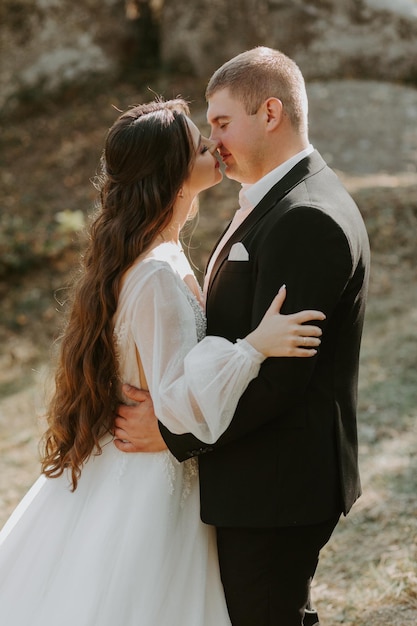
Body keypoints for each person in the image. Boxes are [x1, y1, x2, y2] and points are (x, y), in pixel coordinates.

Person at [0, 99, 325, 626]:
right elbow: (179, 400)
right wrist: (254, 347)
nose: (214, 148)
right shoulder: (154, 274)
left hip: (154, 467)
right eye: (200, 145)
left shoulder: (159, 255)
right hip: (150, 484)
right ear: (171, 173)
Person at [115, 48, 371, 626]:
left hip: (278, 486)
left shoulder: (307, 217)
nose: (214, 139)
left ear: (271, 113)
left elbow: (280, 383)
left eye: (222, 122)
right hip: (256, 479)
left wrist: (172, 434)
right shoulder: (269, 200)